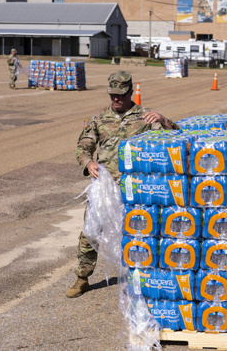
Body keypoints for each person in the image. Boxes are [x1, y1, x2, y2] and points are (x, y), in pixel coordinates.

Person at [67, 71, 180, 298]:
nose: (115, 100)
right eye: (112, 95)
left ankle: (149, 277)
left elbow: (176, 139)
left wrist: (164, 120)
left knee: (143, 230)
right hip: (106, 186)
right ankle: (82, 277)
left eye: (120, 95)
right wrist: (88, 162)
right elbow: (84, 145)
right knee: (91, 230)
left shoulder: (147, 117)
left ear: (130, 92)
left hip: (139, 187)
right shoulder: (99, 119)